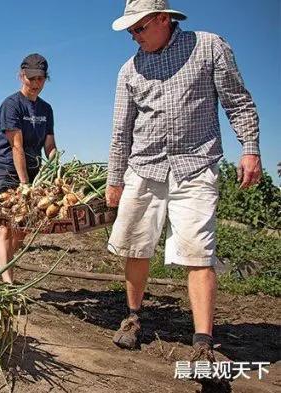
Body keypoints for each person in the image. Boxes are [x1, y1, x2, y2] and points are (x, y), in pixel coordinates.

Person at [107, 0, 262, 381]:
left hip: (195, 166)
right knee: (134, 245)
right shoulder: (130, 69)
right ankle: (132, 319)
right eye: (130, 30)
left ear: (163, 19)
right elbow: (120, 130)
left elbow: (238, 102)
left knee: (198, 251)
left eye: (139, 28)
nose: (133, 36)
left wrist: (251, 148)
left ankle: (204, 342)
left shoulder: (208, 47)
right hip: (144, 168)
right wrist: (115, 179)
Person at [0, 54, 56, 284]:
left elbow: (49, 145)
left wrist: (57, 167)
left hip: (32, 172)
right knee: (5, 225)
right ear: (21, 76)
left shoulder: (46, 109)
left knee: (23, 228)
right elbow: (16, 145)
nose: (36, 84)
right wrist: (24, 183)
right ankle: (8, 284)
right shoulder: (11, 104)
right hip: (5, 169)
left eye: (41, 79)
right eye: (31, 78)